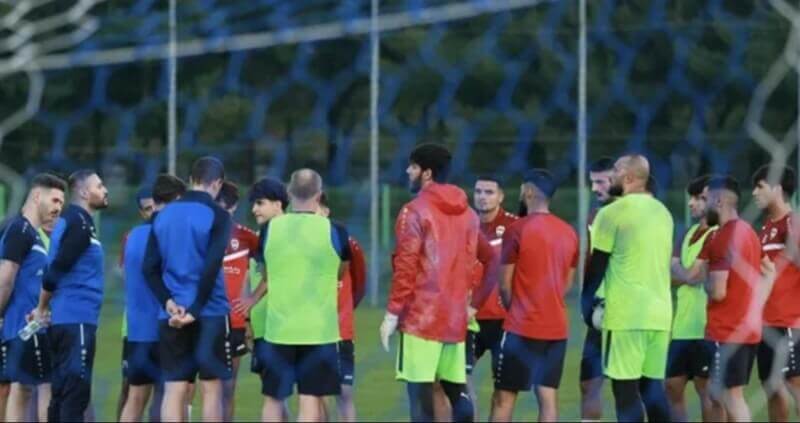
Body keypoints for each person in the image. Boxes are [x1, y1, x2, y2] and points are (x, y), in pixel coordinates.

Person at [380, 143, 496, 422]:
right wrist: (475, 304)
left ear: (427, 173)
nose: (407, 171)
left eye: (413, 166)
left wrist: (392, 313)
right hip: (455, 318)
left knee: (420, 397)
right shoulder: (468, 214)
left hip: (421, 318)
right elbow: (492, 259)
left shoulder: (414, 211)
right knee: (457, 392)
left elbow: (406, 267)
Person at [673, 175, 773, 421]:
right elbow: (769, 271)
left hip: (727, 330)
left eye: (705, 198)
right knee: (718, 394)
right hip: (746, 329)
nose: (701, 203)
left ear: (718, 202)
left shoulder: (723, 238)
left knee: (731, 397)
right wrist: (756, 305)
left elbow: (718, 292)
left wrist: (704, 278)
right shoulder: (748, 232)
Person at [581, 155, 672, 422]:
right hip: (660, 316)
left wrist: (586, 306)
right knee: (652, 390)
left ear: (630, 178)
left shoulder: (611, 214)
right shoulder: (663, 212)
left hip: (626, 316)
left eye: (617, 172)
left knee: (625, 391)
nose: (611, 176)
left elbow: (597, 266)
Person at [143, 156, 233, 422]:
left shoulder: (163, 215)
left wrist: (168, 303)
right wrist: (195, 310)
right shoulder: (219, 215)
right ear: (217, 183)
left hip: (172, 314)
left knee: (175, 389)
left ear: (191, 179)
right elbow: (211, 265)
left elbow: (149, 268)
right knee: (211, 389)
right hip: (210, 311)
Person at [259, 169, 351, 422]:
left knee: (274, 399)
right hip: (319, 331)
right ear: (319, 195)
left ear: (289, 193)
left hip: (279, 330)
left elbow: (266, 272)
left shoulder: (270, 229)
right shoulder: (336, 230)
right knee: (310, 400)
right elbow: (340, 272)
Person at [489, 169, 578, 422]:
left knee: (504, 398)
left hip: (522, 327)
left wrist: (515, 309)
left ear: (528, 191)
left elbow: (504, 284)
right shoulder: (569, 232)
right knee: (547, 397)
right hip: (556, 329)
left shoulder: (517, 229)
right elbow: (567, 284)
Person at [29, 169, 108, 422]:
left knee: (61, 394)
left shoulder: (73, 221)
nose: (105, 190)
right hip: (76, 320)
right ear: (84, 192)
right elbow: (55, 271)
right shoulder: (79, 224)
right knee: (75, 395)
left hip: (67, 320)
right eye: (99, 186)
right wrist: (42, 307)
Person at [120, 175, 186, 422]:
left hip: (138, 330)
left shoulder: (133, 236)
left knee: (135, 397)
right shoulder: (170, 234)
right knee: (173, 395)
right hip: (168, 326)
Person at [0, 174, 66, 422]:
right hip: (25, 327)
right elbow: (5, 278)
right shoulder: (20, 230)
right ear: (37, 196)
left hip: (29, 327)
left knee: (21, 389)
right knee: (46, 386)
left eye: (62, 202)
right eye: (55, 200)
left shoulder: (33, 234)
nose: (58, 207)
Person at [665, 175, 716, 422]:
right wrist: (688, 274)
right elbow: (671, 272)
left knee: (706, 391)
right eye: (691, 198)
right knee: (671, 386)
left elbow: (697, 275)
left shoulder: (718, 234)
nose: (691, 203)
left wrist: (682, 274)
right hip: (681, 327)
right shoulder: (687, 233)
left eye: (698, 198)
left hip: (706, 326)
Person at [751, 164, 800, 421]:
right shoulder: (766, 228)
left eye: (760, 186)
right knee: (772, 390)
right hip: (766, 324)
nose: (754, 193)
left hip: (789, 323)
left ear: (778, 189)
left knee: (795, 386)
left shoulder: (793, 223)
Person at [242, 177, 291, 421]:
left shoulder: (287, 233)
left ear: (278, 204)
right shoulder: (262, 235)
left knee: (304, 394)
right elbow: (255, 275)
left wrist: (251, 300)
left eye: (260, 203)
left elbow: (273, 276)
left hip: (283, 327)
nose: (254, 209)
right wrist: (248, 320)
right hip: (264, 326)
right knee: (276, 394)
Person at [317, 192, 367, 422]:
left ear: (326, 211)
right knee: (316, 395)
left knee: (344, 393)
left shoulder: (346, 242)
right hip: (310, 331)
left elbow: (359, 283)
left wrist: (345, 308)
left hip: (340, 331)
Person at [215, 180, 260, 422]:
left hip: (234, 322)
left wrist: (250, 304)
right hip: (203, 319)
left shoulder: (246, 237)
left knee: (227, 387)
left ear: (233, 207)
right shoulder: (197, 233)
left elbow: (271, 267)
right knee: (191, 386)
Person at [117, 186, 157, 422]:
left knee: (168, 391)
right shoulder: (132, 237)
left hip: (164, 325)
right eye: (148, 209)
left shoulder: (170, 234)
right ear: (142, 213)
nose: (154, 212)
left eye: (156, 206)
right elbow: (127, 277)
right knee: (130, 388)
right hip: (135, 326)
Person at [580, 156, 615, 422]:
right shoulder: (595, 215)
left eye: (601, 182)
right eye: (592, 182)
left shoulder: (632, 214)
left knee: (631, 385)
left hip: (627, 310)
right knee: (588, 383)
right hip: (599, 310)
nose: (595, 188)